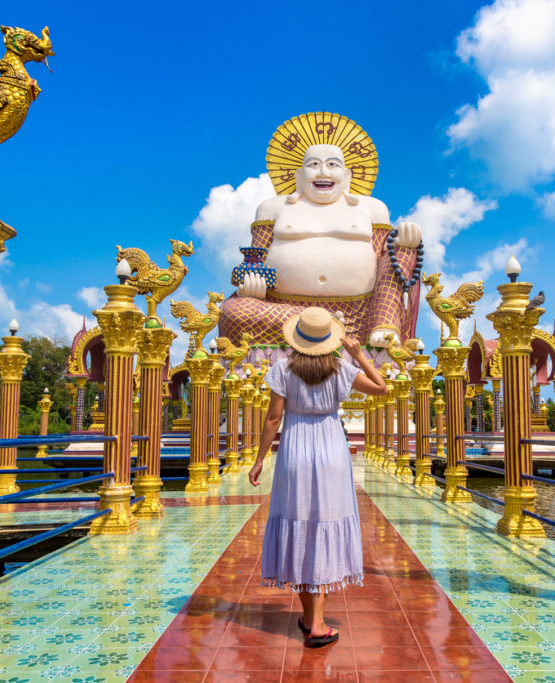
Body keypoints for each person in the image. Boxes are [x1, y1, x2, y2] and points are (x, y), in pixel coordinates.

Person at [218, 113, 423, 349]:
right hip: (283, 312)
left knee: (403, 252)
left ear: (347, 176)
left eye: (333, 165)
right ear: (298, 175)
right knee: (233, 312)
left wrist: (406, 239)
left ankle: (383, 325)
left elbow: (383, 259)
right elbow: (255, 258)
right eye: (314, 164)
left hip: (359, 315)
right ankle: (323, 325)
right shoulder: (273, 207)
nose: (323, 172)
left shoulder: (372, 208)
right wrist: (251, 285)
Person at [248, 307, 387, 647]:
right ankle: (318, 623)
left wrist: (259, 459)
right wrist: (359, 354)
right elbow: (382, 388)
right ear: (329, 340)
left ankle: (311, 617)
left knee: (299, 525)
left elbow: (272, 418)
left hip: (294, 448)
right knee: (324, 525)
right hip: (331, 451)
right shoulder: (342, 369)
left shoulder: (281, 368)